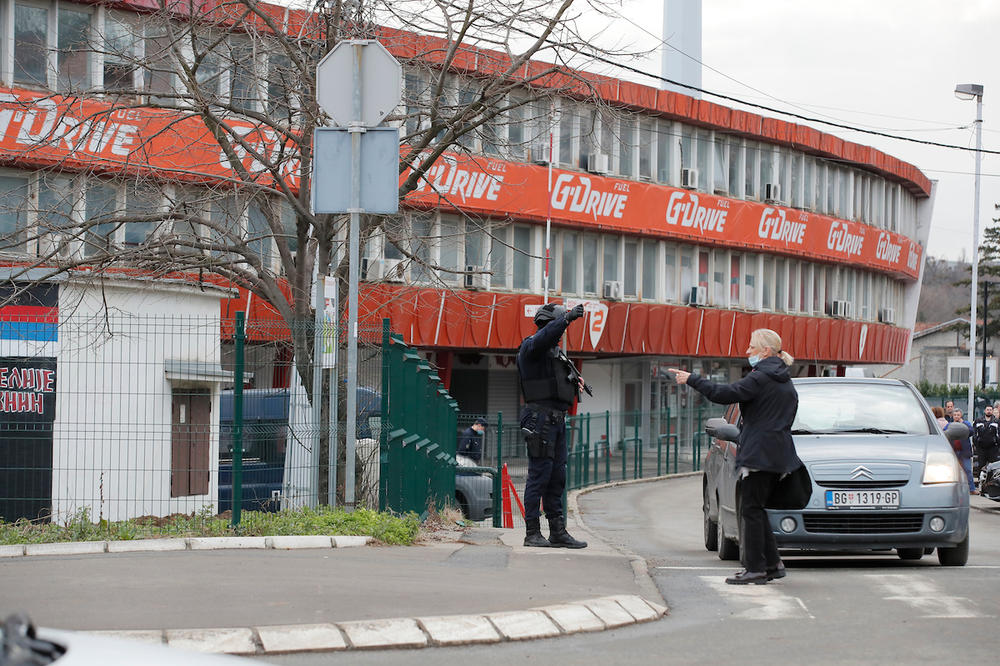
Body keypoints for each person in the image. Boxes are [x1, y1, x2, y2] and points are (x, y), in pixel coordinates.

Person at [669, 328, 800, 585]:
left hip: (759, 454)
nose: (747, 352)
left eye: (751, 347)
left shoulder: (761, 377)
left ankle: (755, 569)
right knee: (756, 508)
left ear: (765, 351)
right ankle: (773, 564)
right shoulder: (783, 379)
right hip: (777, 452)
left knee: (750, 509)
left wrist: (692, 379)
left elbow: (725, 393)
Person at [517, 302, 588, 549]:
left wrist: (574, 381)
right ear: (550, 324)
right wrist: (567, 318)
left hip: (557, 420)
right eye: (559, 327)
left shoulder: (555, 354)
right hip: (540, 420)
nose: (561, 334)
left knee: (557, 476)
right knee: (539, 476)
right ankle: (532, 532)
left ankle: (557, 532)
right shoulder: (532, 346)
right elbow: (545, 337)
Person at [949, 408, 976, 494]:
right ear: (952, 416)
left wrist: (963, 424)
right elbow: (944, 432)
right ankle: (954, 489)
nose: (956, 417)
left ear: (961, 415)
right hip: (954, 451)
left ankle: (972, 489)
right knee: (953, 471)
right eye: (955, 415)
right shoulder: (950, 424)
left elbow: (972, 431)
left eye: (958, 415)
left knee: (967, 470)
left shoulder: (966, 423)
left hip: (964, 451)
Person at [973, 405, 1000, 478]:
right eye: (987, 409)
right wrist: (977, 445)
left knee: (994, 466)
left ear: (992, 411)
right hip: (981, 448)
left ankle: (992, 483)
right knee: (981, 466)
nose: (989, 411)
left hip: (993, 448)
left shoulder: (996, 421)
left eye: (990, 410)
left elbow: (999, 434)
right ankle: (980, 482)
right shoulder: (978, 421)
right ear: (985, 411)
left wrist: (997, 445)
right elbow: (974, 434)